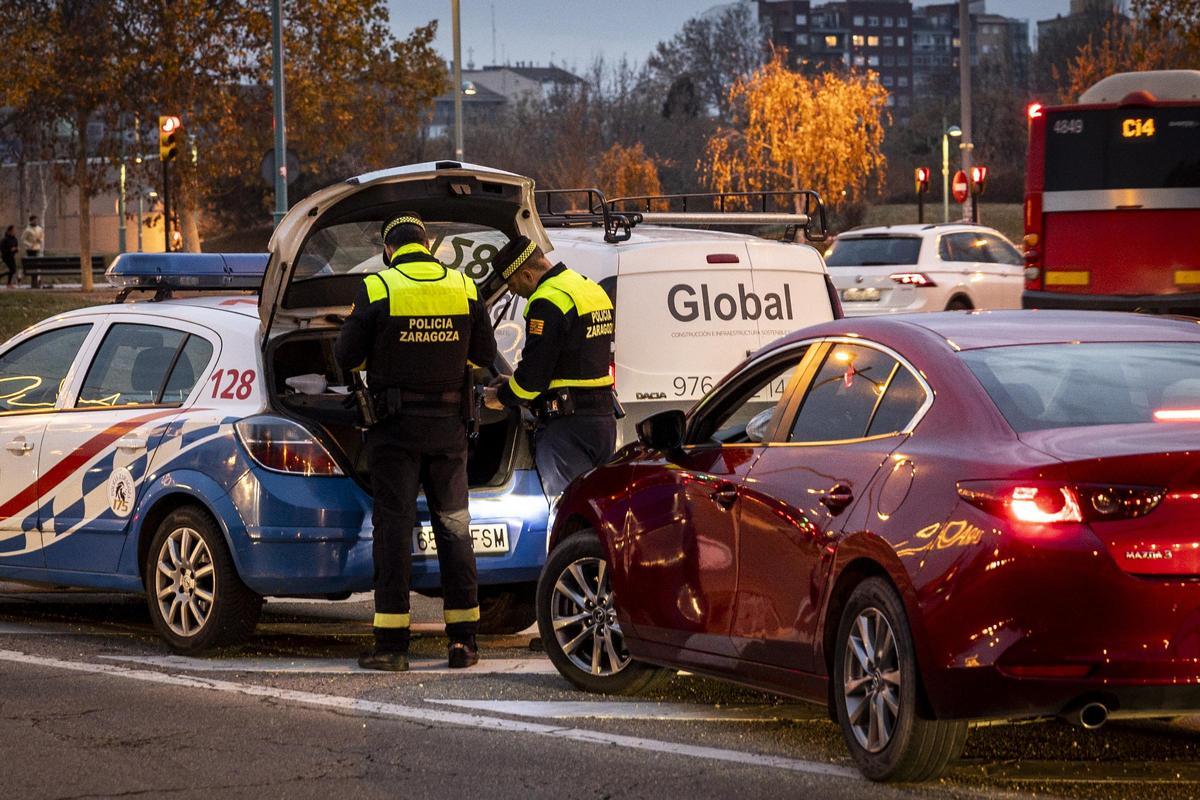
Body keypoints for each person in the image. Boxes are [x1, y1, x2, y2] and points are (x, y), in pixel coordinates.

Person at [335, 213, 497, 672]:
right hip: (449, 428)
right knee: (455, 528)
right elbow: (484, 356)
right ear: (427, 246)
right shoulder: (464, 287)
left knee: (393, 530)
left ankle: (391, 646)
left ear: (389, 250)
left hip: (395, 431)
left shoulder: (378, 287)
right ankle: (463, 642)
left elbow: (346, 355)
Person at [482, 236, 617, 499]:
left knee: (567, 508)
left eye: (512, 284)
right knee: (597, 508)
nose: (513, 292)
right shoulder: (587, 287)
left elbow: (532, 380)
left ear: (528, 274)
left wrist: (501, 397)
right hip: (602, 421)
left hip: (567, 428)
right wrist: (512, 380)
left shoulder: (547, 300)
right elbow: (577, 360)